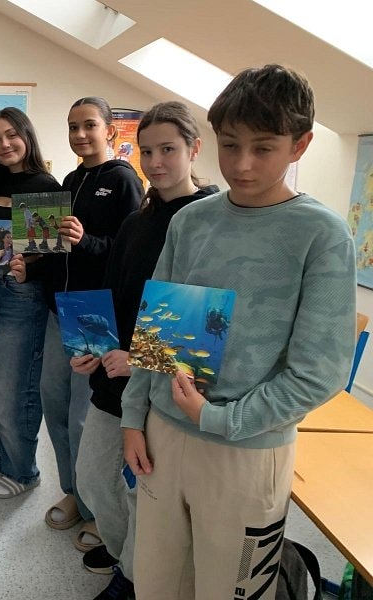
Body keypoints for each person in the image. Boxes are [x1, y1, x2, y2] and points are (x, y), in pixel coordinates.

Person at [121, 65, 356, 598]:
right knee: (155, 583)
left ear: (300, 145)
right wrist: (134, 417)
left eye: (263, 148)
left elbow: (319, 373)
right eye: (230, 146)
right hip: (162, 435)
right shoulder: (191, 221)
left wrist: (221, 419)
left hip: (248, 448)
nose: (242, 164)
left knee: (231, 589)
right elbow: (156, 334)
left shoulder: (321, 235)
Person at [72, 101, 217, 599]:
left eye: (168, 150)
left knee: (149, 491)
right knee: (92, 478)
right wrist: (91, 346)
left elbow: (204, 319)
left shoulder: (208, 223)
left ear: (194, 149)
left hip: (169, 387)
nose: (155, 162)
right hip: (114, 379)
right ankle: (126, 557)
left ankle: (133, 577)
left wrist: (140, 360)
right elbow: (114, 294)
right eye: (147, 151)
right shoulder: (137, 222)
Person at [36, 97, 142, 553]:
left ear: (109, 131)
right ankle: (74, 491)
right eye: (72, 126)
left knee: (85, 418)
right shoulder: (70, 180)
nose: (80, 135)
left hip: (96, 315)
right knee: (54, 407)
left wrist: (88, 241)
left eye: (89, 125)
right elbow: (55, 247)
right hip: (60, 309)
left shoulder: (123, 180)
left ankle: (99, 508)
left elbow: (128, 250)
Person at [0, 107, 61, 499]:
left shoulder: (42, 184)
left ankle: (25, 471)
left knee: (11, 391)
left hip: (22, 299)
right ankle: (5, 459)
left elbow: (52, 254)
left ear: (26, 135)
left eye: (12, 135)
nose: (4, 144)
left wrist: (31, 269)